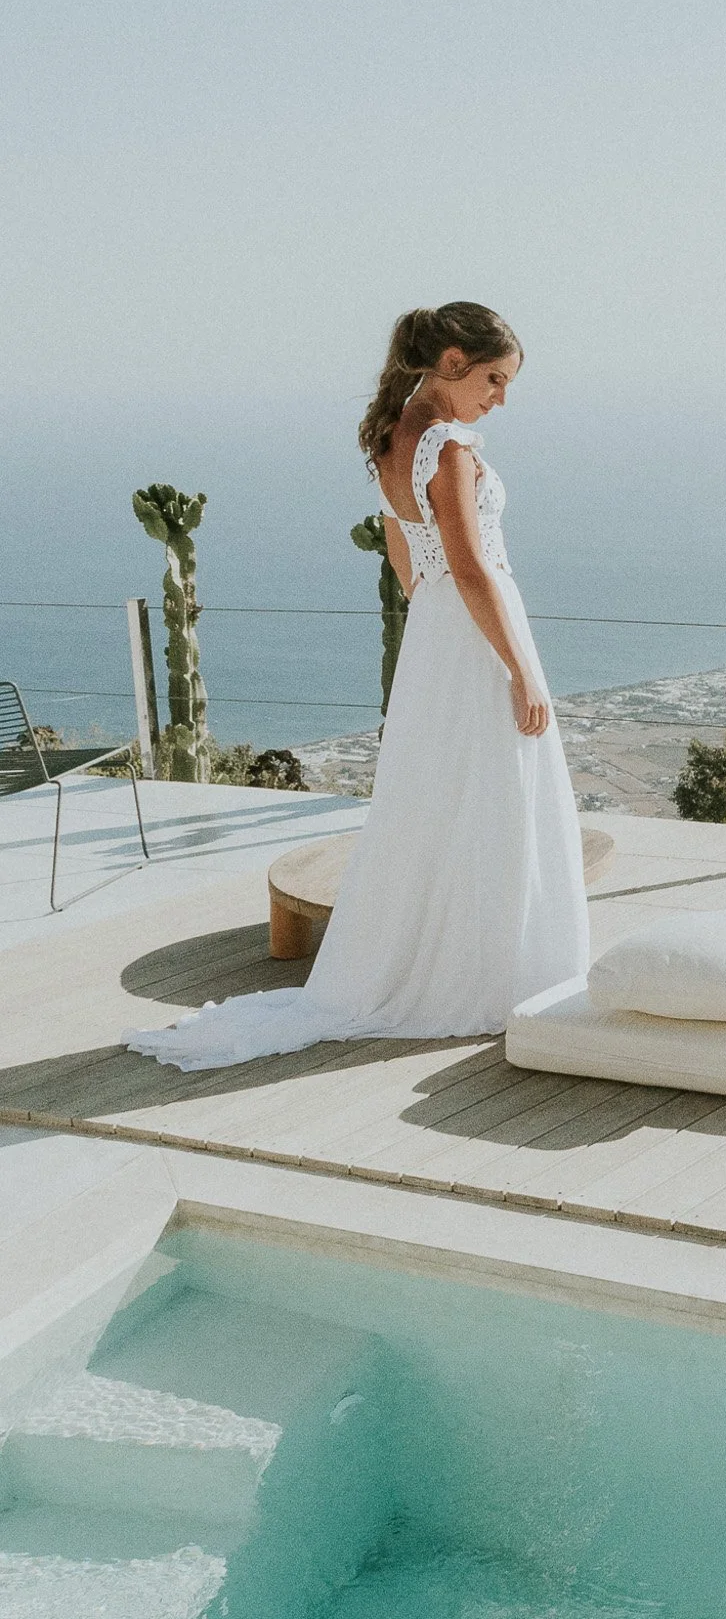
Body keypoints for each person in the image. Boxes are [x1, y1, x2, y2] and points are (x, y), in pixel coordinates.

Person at [127, 302, 590, 1070]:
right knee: (495, 791)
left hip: (437, 631)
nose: (500, 398)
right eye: (493, 379)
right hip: (478, 632)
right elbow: (470, 567)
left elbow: (408, 561)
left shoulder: (390, 436)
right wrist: (519, 669)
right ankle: (493, 973)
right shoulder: (447, 447)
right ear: (451, 362)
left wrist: (435, 634)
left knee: (442, 795)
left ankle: (453, 959)